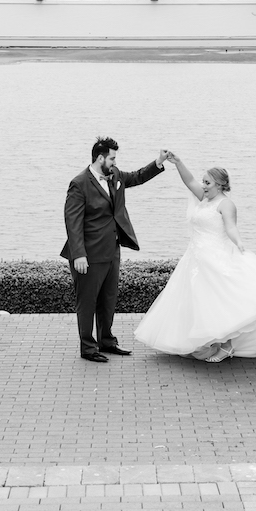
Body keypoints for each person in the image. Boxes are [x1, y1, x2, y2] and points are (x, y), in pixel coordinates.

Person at [133, 152, 256, 362]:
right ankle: (205, 341)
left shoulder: (226, 204)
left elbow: (231, 227)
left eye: (207, 182)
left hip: (215, 257)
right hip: (196, 258)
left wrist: (239, 242)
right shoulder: (204, 198)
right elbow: (188, 181)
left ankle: (226, 346)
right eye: (203, 182)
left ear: (220, 185)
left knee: (222, 301)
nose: (203, 185)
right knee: (199, 302)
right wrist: (178, 163)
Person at [61, 137, 169, 363]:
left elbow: (137, 176)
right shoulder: (79, 183)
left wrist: (158, 161)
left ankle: (107, 341)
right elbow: (72, 223)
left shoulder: (116, 175)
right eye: (111, 158)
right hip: (88, 255)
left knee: (108, 300)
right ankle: (88, 348)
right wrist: (79, 254)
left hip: (112, 251)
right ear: (100, 158)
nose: (114, 162)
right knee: (88, 301)